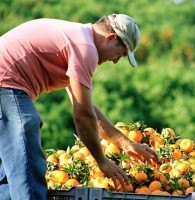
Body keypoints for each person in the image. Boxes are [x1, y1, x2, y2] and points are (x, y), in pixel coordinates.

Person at [0, 14, 158, 200]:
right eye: (121, 54)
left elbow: (86, 107)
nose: (116, 61)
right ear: (111, 38)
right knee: (26, 152)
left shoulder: (77, 37)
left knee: (9, 175)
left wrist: (125, 143)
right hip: (7, 84)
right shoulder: (85, 47)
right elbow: (82, 116)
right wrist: (102, 161)